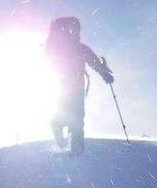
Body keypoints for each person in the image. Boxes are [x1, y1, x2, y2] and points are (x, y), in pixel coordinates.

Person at [45, 16, 113, 154]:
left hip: (63, 86)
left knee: (67, 115)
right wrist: (105, 74)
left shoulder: (58, 47)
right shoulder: (80, 48)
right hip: (75, 87)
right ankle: (76, 151)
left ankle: (60, 130)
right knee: (77, 118)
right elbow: (94, 63)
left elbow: (48, 60)